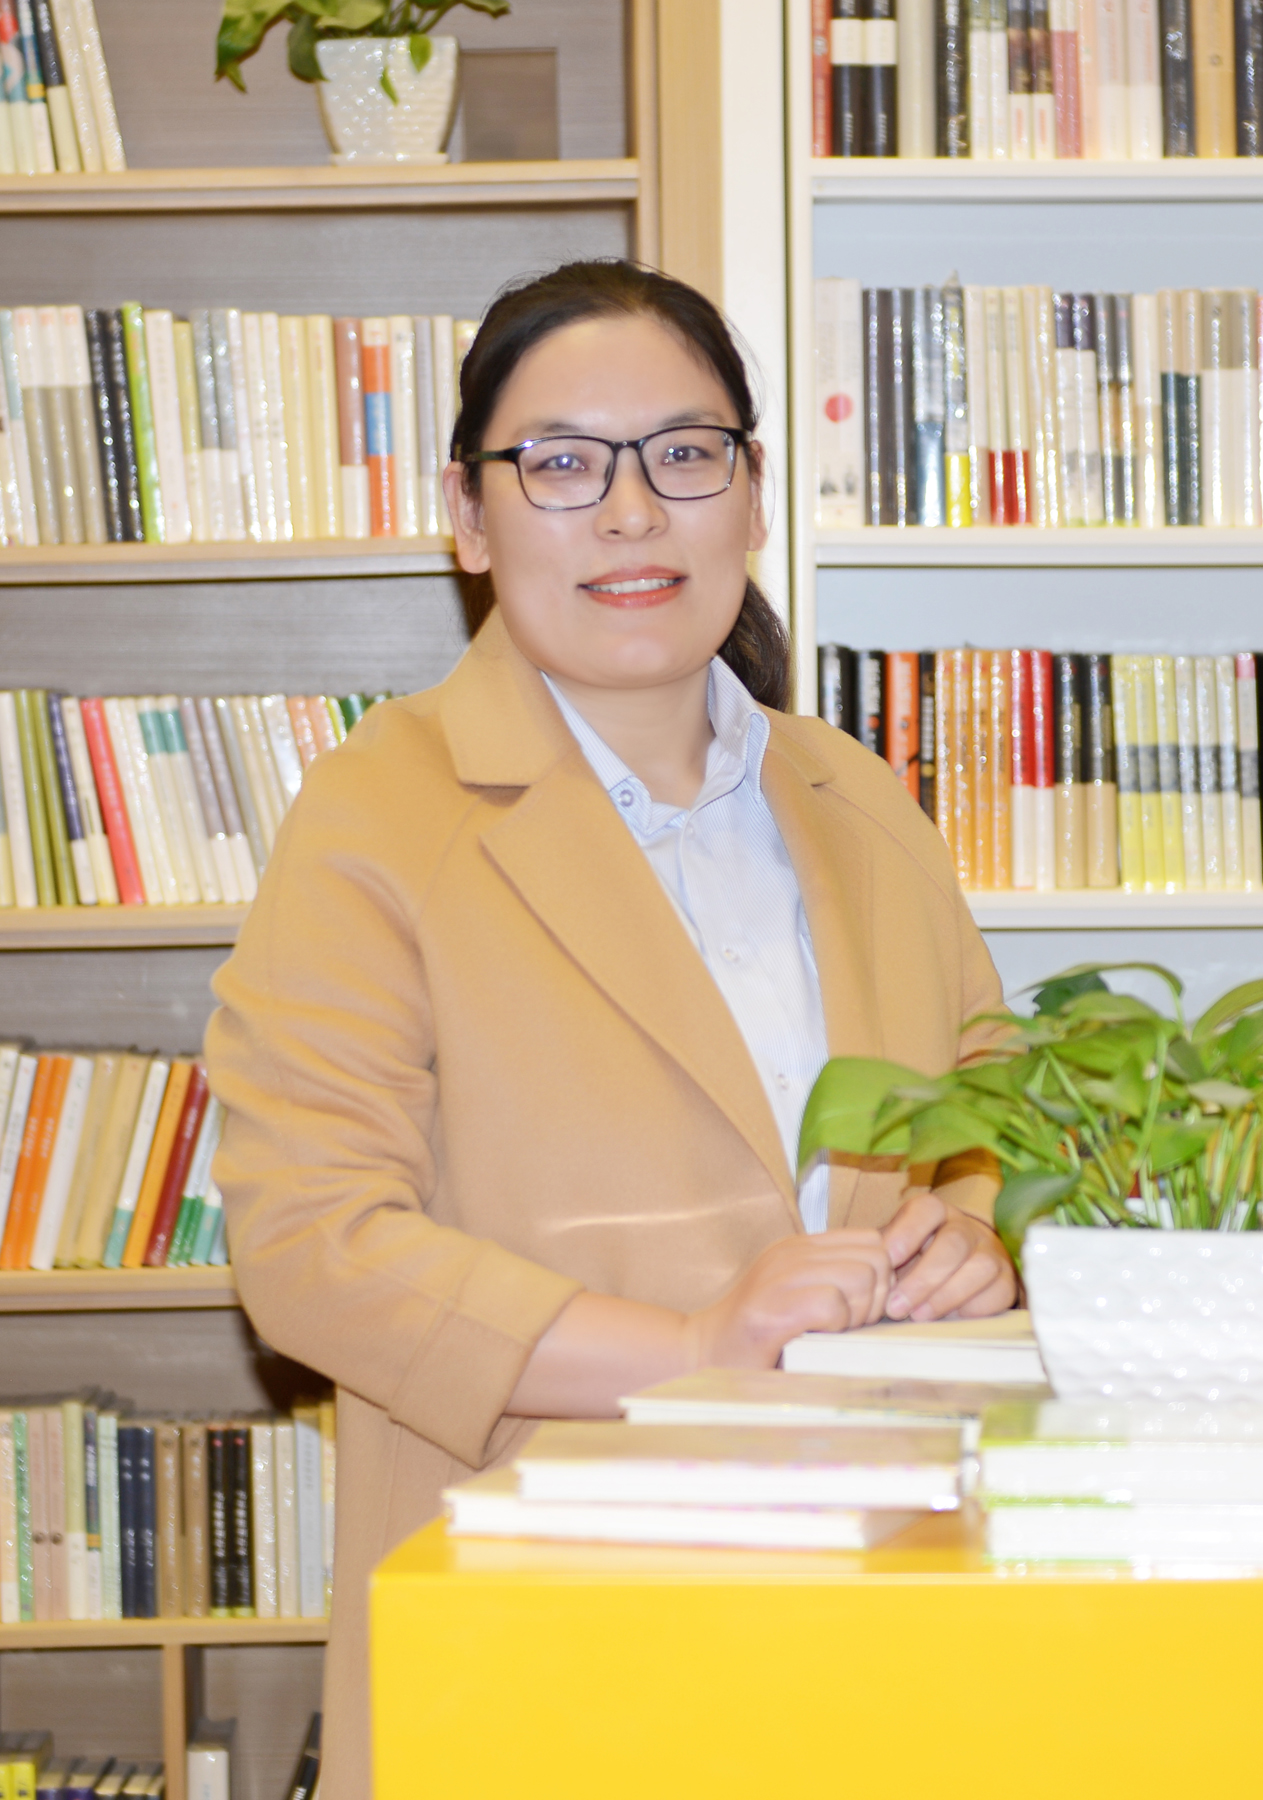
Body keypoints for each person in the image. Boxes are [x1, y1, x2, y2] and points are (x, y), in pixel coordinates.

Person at [205, 259, 1017, 1797]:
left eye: (684, 454)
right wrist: (697, 1349)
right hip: (548, 1612)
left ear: (752, 494)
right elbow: (310, 1244)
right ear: (468, 515)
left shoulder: (859, 799)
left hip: (890, 1602)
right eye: (564, 464)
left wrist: (977, 1233)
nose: (633, 513)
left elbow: (992, 1105)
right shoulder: (377, 814)